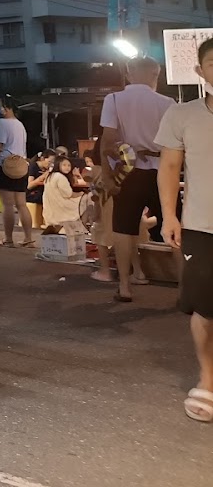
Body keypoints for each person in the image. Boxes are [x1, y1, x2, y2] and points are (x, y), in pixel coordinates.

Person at [156, 37, 213, 422]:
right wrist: (169, 217)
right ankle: (208, 377)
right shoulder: (182, 114)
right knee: (205, 310)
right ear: (200, 71)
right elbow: (169, 169)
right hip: (202, 226)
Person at [97, 55, 175, 303]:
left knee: (124, 229)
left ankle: (125, 286)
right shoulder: (168, 103)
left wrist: (109, 177)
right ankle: (186, 291)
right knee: (174, 228)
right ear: (155, 75)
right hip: (163, 170)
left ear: (129, 74)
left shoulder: (114, 100)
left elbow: (107, 142)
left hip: (128, 172)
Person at [0, 96, 34, 247]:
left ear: (6, 108)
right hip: (21, 166)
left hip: (5, 165)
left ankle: (8, 239)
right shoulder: (20, 125)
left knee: (7, 205)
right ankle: (28, 238)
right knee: (22, 204)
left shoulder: (0, 124)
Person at [42, 155, 86, 235]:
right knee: (86, 200)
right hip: (61, 205)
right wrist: (81, 194)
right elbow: (69, 194)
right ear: (58, 164)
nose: (67, 167)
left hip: (50, 207)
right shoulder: (60, 177)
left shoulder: (50, 176)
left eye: (69, 165)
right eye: (64, 165)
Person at [26, 151, 53, 230]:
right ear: (42, 159)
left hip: (44, 191)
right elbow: (29, 185)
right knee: (48, 197)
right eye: (49, 162)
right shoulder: (33, 167)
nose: (50, 164)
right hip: (32, 193)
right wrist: (43, 176)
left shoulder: (47, 168)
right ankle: (47, 222)